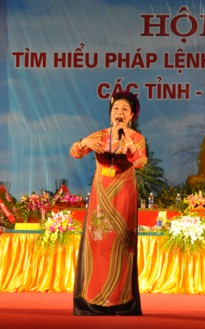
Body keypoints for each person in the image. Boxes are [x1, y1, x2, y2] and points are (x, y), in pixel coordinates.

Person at [70, 91, 148, 316]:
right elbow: (75, 152)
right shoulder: (100, 135)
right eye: (116, 109)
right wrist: (84, 142)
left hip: (123, 196)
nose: (119, 113)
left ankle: (120, 302)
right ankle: (94, 301)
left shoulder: (136, 138)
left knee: (121, 246)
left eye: (124, 110)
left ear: (131, 115)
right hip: (101, 199)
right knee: (99, 244)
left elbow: (141, 162)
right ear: (110, 113)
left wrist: (131, 148)